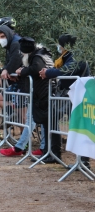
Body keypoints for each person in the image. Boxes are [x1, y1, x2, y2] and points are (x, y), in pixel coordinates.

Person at [39, 33, 91, 168]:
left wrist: (48, 73)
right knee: (52, 119)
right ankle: (54, 152)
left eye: (59, 44)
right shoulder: (68, 56)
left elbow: (66, 71)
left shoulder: (76, 57)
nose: (58, 47)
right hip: (70, 96)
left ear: (64, 46)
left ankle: (82, 161)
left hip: (75, 97)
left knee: (80, 126)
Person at [15, 37, 57, 163]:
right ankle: (47, 151)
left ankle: (48, 152)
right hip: (45, 93)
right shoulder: (42, 54)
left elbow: (35, 69)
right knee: (45, 123)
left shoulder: (37, 57)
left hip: (44, 93)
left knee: (44, 122)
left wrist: (23, 71)